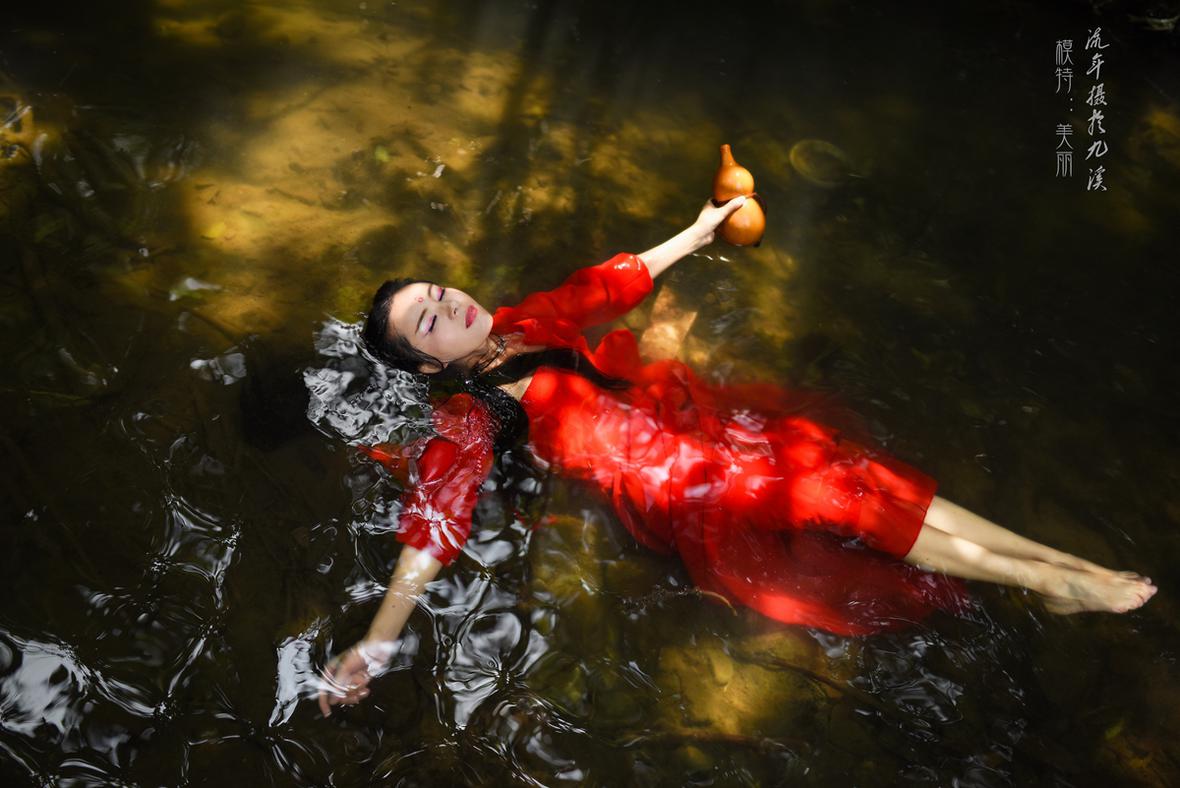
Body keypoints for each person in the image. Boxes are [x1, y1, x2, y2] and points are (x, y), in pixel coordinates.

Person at [318, 195, 1156, 715]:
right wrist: (379, 643)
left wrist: (698, 230)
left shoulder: (521, 322)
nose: (448, 305)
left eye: (438, 292)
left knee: (859, 473)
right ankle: (1046, 580)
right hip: (684, 486)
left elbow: (606, 285)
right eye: (428, 322)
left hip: (699, 427)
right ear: (426, 366)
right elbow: (432, 532)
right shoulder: (472, 417)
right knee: (840, 495)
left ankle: (1056, 568)